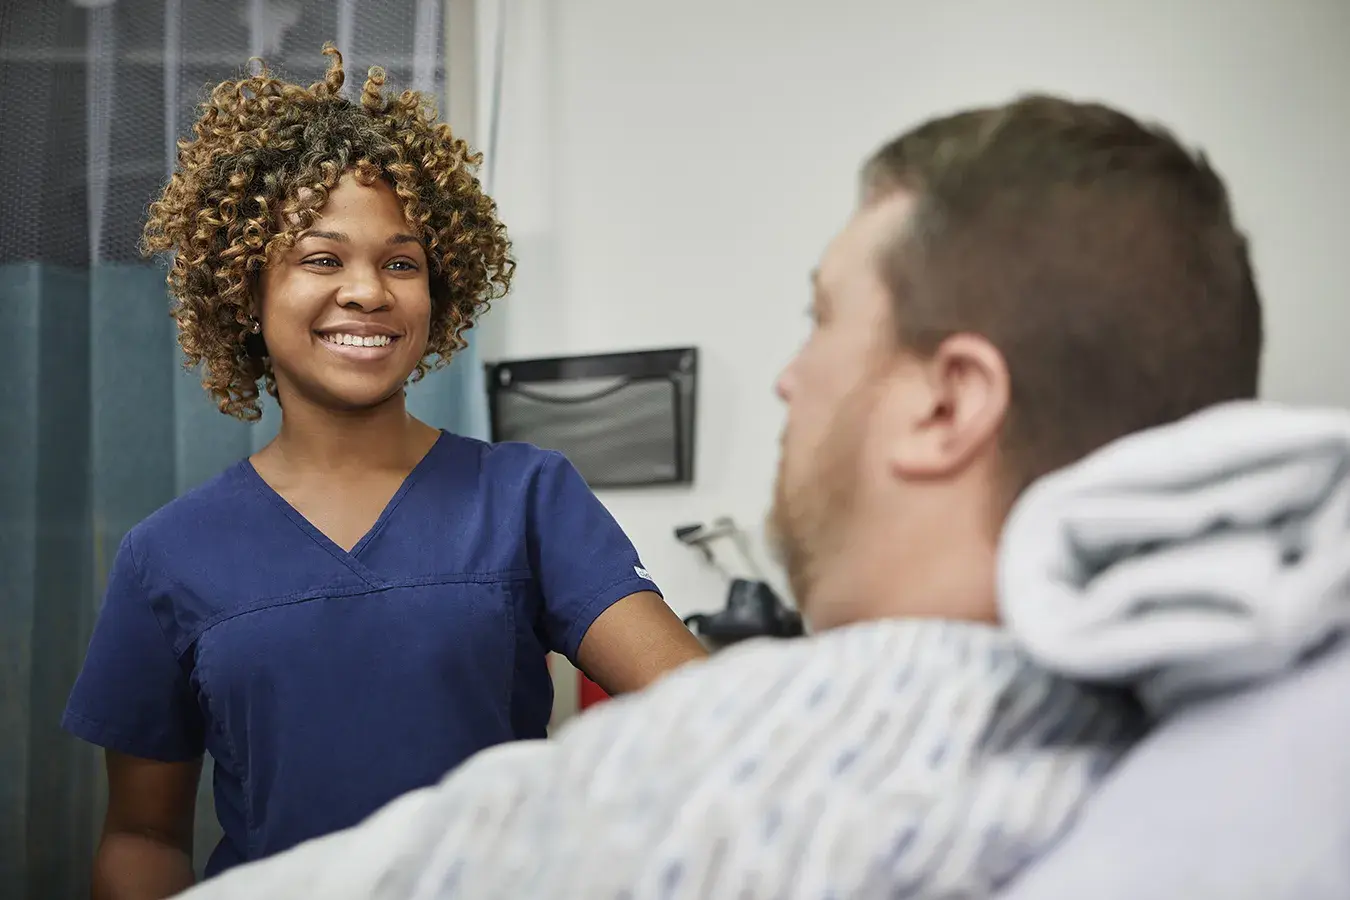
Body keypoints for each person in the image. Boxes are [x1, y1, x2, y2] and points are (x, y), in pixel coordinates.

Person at [173, 94, 1343, 900]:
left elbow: (683, 720)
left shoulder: (544, 522)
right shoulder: (1277, 730)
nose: (788, 374)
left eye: (822, 317)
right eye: (318, 260)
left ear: (950, 403)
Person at [61, 45, 707, 897]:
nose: (368, 291)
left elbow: (702, 711)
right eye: (322, 259)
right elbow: (144, 835)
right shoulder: (167, 556)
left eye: (401, 262)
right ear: (245, 290)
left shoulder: (526, 497)